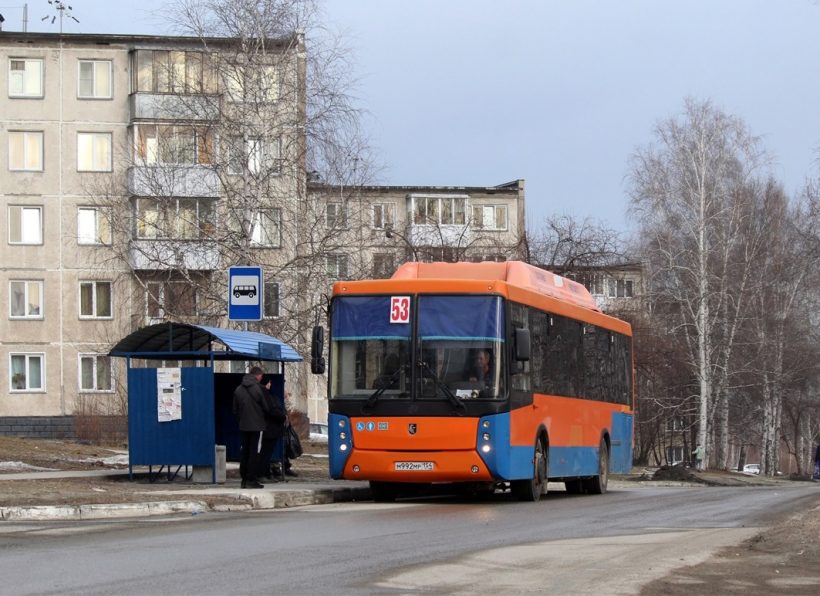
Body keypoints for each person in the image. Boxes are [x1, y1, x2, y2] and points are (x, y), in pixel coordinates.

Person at [232, 366, 270, 489]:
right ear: (258, 376)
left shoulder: (238, 389)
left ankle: (244, 480)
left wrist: (242, 420)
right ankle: (251, 479)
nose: (261, 378)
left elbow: (235, 410)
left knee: (245, 451)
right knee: (255, 452)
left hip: (243, 426)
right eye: (261, 376)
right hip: (257, 426)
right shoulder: (260, 389)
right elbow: (267, 407)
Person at [257, 377, 287, 482]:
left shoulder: (262, 394)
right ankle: (262, 474)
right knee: (265, 453)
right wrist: (283, 417)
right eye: (269, 382)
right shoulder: (266, 395)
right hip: (269, 428)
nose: (270, 384)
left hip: (268, 428)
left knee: (266, 453)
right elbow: (272, 410)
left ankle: (266, 473)